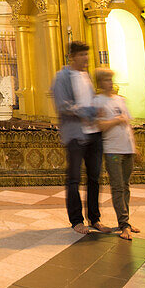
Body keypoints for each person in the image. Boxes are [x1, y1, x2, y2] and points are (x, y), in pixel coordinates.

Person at [51, 41, 108, 235]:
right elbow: (63, 106)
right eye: (82, 54)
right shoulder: (62, 77)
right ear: (73, 56)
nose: (86, 58)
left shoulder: (87, 76)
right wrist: (91, 111)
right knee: (74, 179)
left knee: (94, 178)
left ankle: (95, 218)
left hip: (93, 133)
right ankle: (76, 220)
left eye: (87, 54)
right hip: (75, 135)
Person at [93, 69, 140, 240]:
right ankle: (124, 225)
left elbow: (128, 124)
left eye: (111, 79)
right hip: (113, 150)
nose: (110, 83)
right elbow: (99, 126)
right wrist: (116, 120)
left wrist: (135, 146)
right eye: (106, 80)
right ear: (99, 83)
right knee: (118, 187)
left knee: (125, 186)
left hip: (127, 148)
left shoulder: (120, 100)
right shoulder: (98, 101)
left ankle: (125, 220)